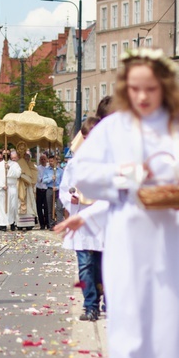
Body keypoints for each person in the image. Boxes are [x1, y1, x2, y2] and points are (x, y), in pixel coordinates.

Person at [55, 48, 179, 358]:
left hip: (172, 239)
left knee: (169, 331)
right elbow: (83, 174)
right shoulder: (112, 129)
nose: (143, 97)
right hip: (127, 240)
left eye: (150, 88)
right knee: (128, 330)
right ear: (125, 90)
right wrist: (130, 175)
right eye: (135, 89)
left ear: (164, 87)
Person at [59, 116, 105, 322]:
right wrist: (72, 197)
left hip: (103, 222)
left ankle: (108, 302)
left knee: (103, 265)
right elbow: (64, 190)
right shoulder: (74, 164)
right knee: (85, 265)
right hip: (81, 221)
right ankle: (90, 305)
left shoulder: (109, 162)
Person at [0, 149, 21, 231]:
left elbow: (18, 174)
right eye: (4, 153)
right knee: (2, 206)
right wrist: (2, 185)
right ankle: (3, 224)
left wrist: (9, 168)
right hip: (2, 188)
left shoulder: (15, 164)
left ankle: (12, 223)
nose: (6, 155)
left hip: (11, 187)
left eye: (7, 153)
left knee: (12, 206)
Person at [14, 141, 38, 229]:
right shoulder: (18, 163)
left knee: (29, 204)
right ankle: (20, 224)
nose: (26, 158)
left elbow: (34, 175)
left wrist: (27, 178)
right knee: (20, 203)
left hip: (29, 187)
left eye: (27, 157)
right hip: (19, 186)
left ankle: (29, 223)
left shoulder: (31, 165)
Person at [42, 153, 64, 227]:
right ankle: (51, 224)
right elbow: (44, 181)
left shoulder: (60, 171)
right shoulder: (47, 170)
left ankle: (59, 223)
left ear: (56, 161)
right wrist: (51, 178)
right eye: (49, 161)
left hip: (58, 190)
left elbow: (63, 182)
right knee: (50, 208)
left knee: (59, 207)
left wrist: (57, 187)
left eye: (52, 161)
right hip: (50, 190)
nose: (50, 163)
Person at [35, 153, 49, 229]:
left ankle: (47, 222)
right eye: (42, 159)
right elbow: (39, 179)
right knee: (39, 207)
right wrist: (46, 179)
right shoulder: (37, 168)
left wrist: (47, 179)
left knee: (47, 207)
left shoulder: (48, 168)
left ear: (46, 160)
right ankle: (42, 224)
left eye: (44, 159)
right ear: (40, 160)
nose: (43, 160)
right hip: (39, 189)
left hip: (46, 189)